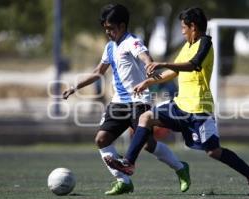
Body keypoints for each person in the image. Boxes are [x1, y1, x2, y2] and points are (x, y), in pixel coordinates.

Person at [105, 7, 249, 196]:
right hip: (179, 106)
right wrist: (148, 81)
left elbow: (192, 65)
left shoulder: (205, 43)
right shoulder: (187, 45)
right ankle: (129, 163)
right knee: (146, 117)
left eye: (183, 27)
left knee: (213, 151)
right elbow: (175, 72)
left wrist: (163, 63)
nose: (182, 31)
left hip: (199, 110)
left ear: (193, 27)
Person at [62, 4, 190, 195]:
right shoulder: (110, 47)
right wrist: (75, 87)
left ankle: (180, 167)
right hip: (118, 103)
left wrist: (149, 65)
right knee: (101, 139)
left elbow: (145, 56)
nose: (108, 32)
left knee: (148, 144)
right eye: (105, 29)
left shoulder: (133, 42)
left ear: (122, 26)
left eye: (111, 28)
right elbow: (98, 72)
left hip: (139, 101)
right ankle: (123, 181)